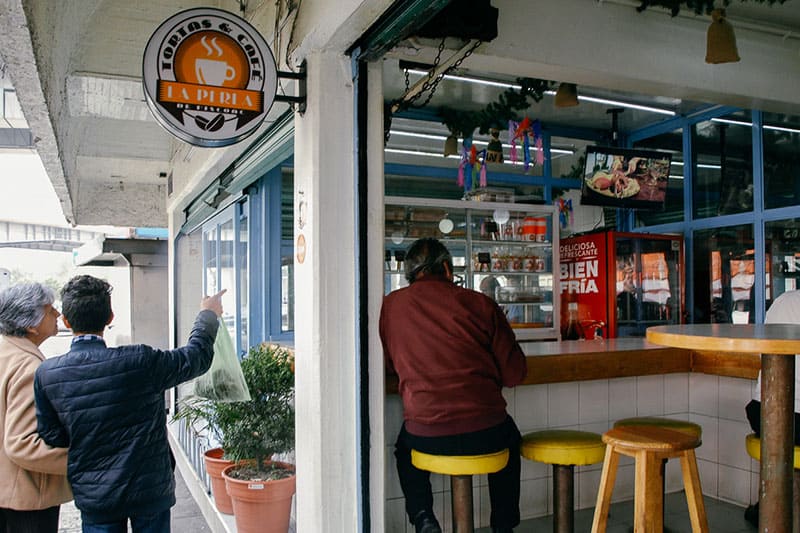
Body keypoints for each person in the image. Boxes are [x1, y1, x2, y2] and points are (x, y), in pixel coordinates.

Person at [33, 275, 224, 533]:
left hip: (96, 497)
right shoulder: (140, 361)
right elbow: (195, 357)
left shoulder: (48, 374)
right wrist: (208, 314)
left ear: (66, 321)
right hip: (150, 491)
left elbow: (52, 436)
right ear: (110, 317)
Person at [380, 238, 527, 533]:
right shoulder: (480, 303)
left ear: (409, 275)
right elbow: (515, 375)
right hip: (488, 432)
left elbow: (389, 366)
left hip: (425, 433)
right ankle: (503, 525)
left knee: (404, 451)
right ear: (447, 268)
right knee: (511, 442)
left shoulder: (391, 306)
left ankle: (423, 518)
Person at [0, 282, 72, 533]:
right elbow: (23, 444)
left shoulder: (5, 352)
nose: (57, 314)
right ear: (30, 325)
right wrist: (80, 460)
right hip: (26, 498)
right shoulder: (28, 368)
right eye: (50, 309)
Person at [743, 289, 800, 527]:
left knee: (779, 436)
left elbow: (762, 352)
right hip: (790, 416)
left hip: (763, 410)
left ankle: (769, 506)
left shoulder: (786, 300)